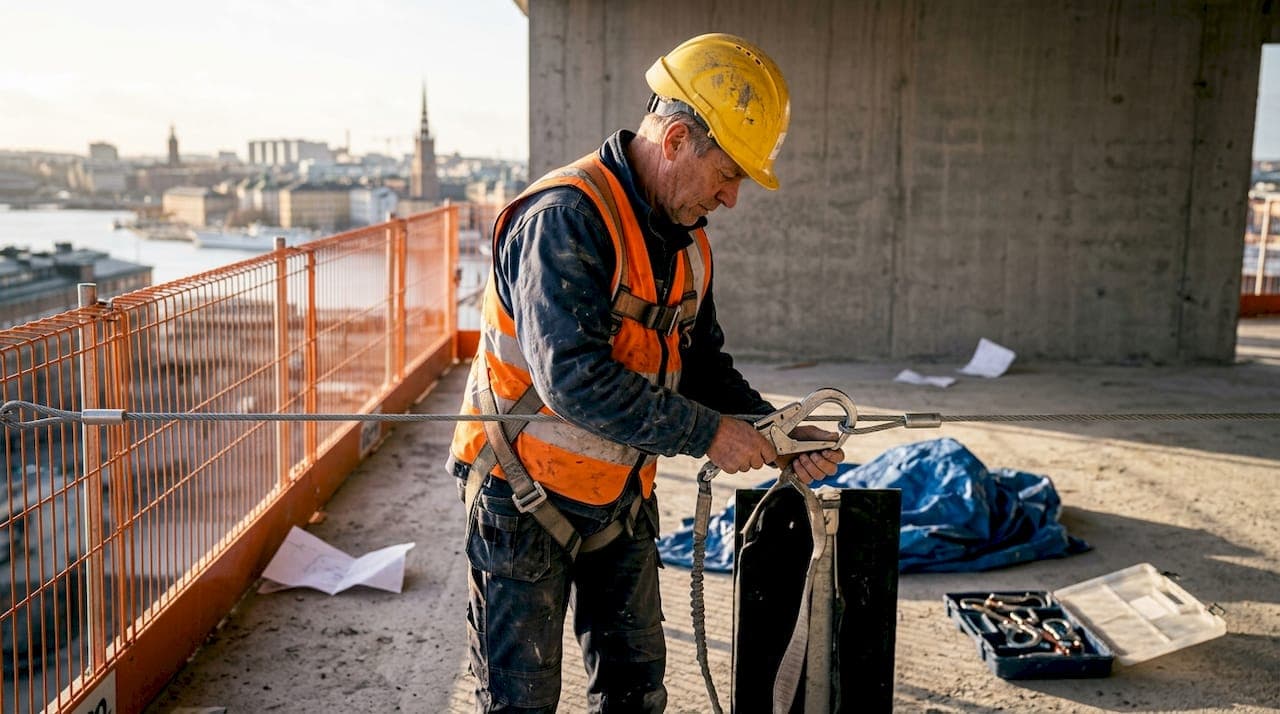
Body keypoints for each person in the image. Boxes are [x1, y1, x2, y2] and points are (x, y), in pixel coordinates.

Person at [447, 33, 844, 713]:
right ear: (678, 139)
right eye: (728, 175)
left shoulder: (686, 246)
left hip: (620, 497)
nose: (731, 199)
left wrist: (775, 432)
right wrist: (709, 435)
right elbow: (571, 380)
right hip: (522, 498)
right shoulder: (566, 219)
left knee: (635, 694)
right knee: (521, 703)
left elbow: (700, 365)